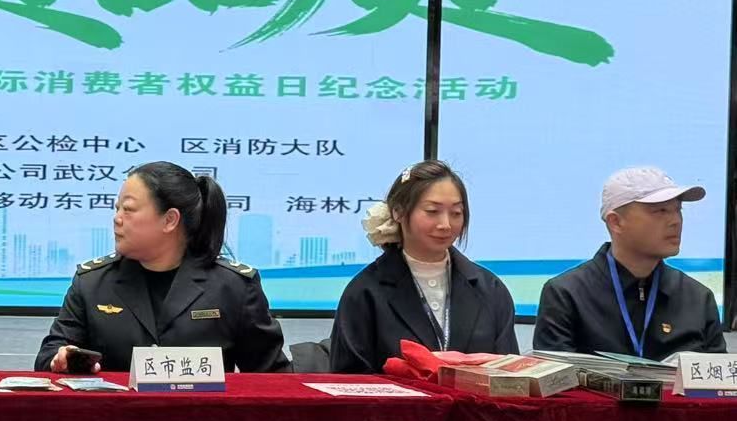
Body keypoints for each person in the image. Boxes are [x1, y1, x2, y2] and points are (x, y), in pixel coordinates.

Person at [36, 161, 289, 374]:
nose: (117, 218)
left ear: (169, 220)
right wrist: (61, 360)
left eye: (128, 209)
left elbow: (273, 377)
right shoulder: (92, 283)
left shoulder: (234, 287)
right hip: (116, 416)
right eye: (117, 209)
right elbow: (48, 357)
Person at [329, 161, 518, 373]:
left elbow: (512, 376)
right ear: (398, 212)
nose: (445, 224)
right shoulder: (365, 293)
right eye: (432, 211)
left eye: (456, 213)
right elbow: (347, 382)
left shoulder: (490, 289)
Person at [533, 166, 725, 360]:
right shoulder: (567, 295)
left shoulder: (698, 298)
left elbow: (720, 376)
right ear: (615, 222)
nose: (675, 221)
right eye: (661, 211)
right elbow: (553, 376)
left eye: (678, 210)